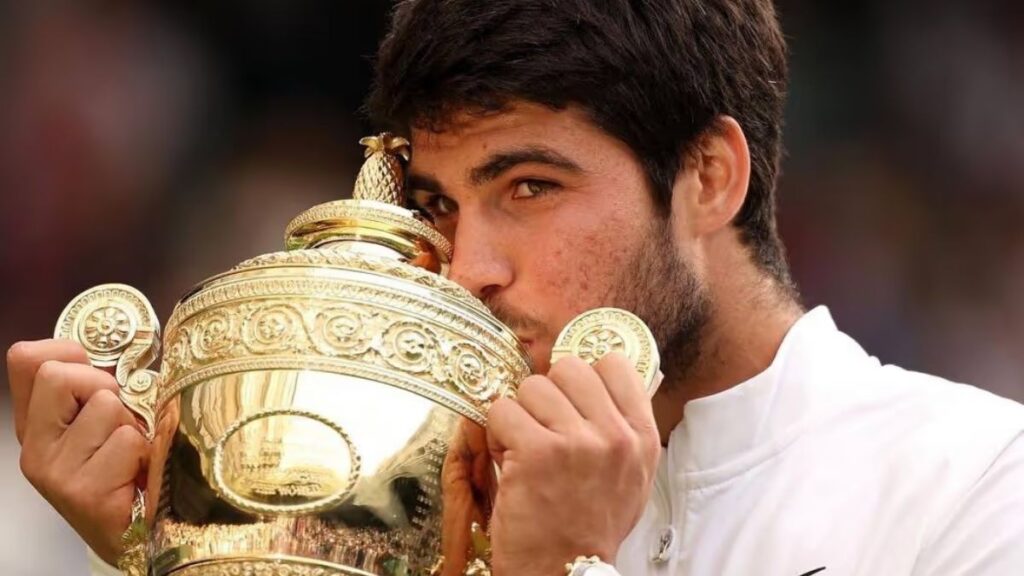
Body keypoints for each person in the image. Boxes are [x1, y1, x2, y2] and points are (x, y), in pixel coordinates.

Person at [8, 1, 1024, 574]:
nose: (472, 265)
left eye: (529, 186)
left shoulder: (973, 482)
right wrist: (183, 547)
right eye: (443, 205)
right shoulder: (406, 497)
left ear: (709, 178)